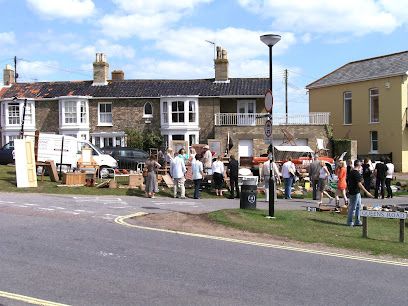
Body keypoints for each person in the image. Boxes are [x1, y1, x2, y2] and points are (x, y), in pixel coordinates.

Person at [347, 160, 374, 226]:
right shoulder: (355, 173)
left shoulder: (352, 172)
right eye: (361, 166)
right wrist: (367, 192)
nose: (361, 167)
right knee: (353, 207)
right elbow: (360, 184)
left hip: (357, 192)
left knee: (358, 206)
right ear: (358, 165)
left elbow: (359, 181)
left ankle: (357, 221)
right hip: (354, 192)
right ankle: (349, 222)